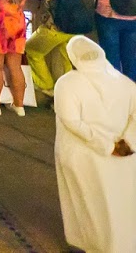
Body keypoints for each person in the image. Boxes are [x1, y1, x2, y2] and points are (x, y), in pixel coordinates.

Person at [53, 36, 136, 253]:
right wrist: (127, 143)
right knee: (120, 201)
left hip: (82, 154)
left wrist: (105, 145)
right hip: (124, 154)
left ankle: (93, 246)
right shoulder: (125, 83)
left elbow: (71, 121)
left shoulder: (67, 83)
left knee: (88, 202)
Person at [26, 0, 93, 96]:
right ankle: (67, 92)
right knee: (65, 58)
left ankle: (47, 86)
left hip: (53, 28)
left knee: (32, 50)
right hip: (73, 29)